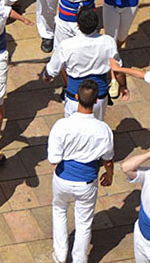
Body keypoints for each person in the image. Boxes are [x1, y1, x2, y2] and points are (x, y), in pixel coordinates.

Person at [47, 79, 114, 263]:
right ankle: (79, 259)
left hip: (63, 178)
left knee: (59, 211)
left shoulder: (61, 125)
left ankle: (60, 255)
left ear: (76, 97)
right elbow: (108, 159)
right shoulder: (103, 130)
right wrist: (109, 175)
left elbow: (53, 159)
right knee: (84, 223)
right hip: (87, 181)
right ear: (96, 101)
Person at [43, 6, 125, 120]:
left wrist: (46, 77)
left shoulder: (66, 45)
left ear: (78, 24)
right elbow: (118, 69)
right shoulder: (108, 42)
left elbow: (52, 70)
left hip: (74, 98)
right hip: (99, 97)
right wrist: (123, 86)